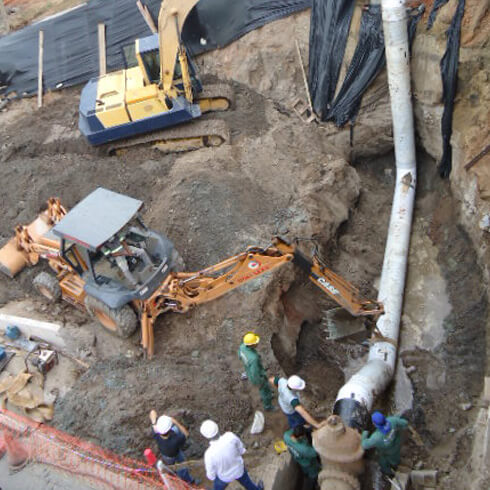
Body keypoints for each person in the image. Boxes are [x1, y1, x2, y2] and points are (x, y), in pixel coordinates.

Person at [200, 419, 264, 490]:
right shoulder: (230, 436)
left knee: (217, 487)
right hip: (239, 470)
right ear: (217, 428)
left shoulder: (209, 454)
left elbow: (211, 476)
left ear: (206, 437)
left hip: (224, 477)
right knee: (247, 483)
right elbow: (242, 450)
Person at [149, 410, 198, 484]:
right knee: (182, 466)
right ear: (169, 430)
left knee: (171, 465)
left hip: (165, 454)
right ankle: (188, 481)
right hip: (176, 453)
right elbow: (186, 434)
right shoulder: (176, 439)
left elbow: (152, 412)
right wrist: (175, 422)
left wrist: (154, 423)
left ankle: (173, 471)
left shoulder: (155, 433)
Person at [361, 411, 408, 476]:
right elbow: (405, 423)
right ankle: (396, 463)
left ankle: (388, 472)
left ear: (374, 424)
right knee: (395, 456)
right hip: (397, 444)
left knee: (383, 462)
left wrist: (365, 432)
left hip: (387, 451)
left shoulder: (376, 437)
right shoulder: (392, 420)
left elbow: (364, 445)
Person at [238, 332, 274, 411]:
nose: (257, 343)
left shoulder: (242, 347)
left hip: (248, 369)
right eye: (255, 343)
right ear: (250, 345)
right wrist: (260, 382)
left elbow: (239, 355)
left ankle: (267, 392)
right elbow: (255, 374)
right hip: (256, 376)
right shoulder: (254, 359)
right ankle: (268, 406)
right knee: (264, 390)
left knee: (265, 387)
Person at [284, 425, 321, 490]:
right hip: (309, 463)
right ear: (301, 437)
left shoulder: (286, 436)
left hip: (300, 461)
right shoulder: (304, 449)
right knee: (313, 474)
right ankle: (312, 485)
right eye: (304, 435)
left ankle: (306, 476)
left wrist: (305, 427)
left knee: (305, 470)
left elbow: (294, 429)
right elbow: (315, 453)